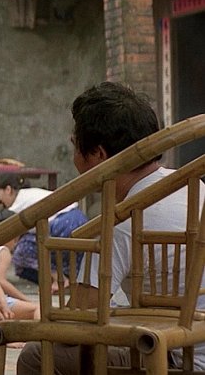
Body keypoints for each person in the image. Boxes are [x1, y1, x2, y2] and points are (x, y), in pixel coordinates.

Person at [17, 82, 205, 374]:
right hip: (190, 342)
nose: (74, 157)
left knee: (36, 356)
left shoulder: (122, 221)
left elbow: (74, 324)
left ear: (98, 155)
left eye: (75, 146)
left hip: (179, 357)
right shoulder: (195, 188)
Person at [0, 174, 88, 293]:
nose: (0, 199)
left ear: (8, 190)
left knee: (22, 249)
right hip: (80, 219)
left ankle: (59, 279)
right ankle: (66, 279)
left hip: (63, 225)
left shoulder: (17, 206)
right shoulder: (29, 193)